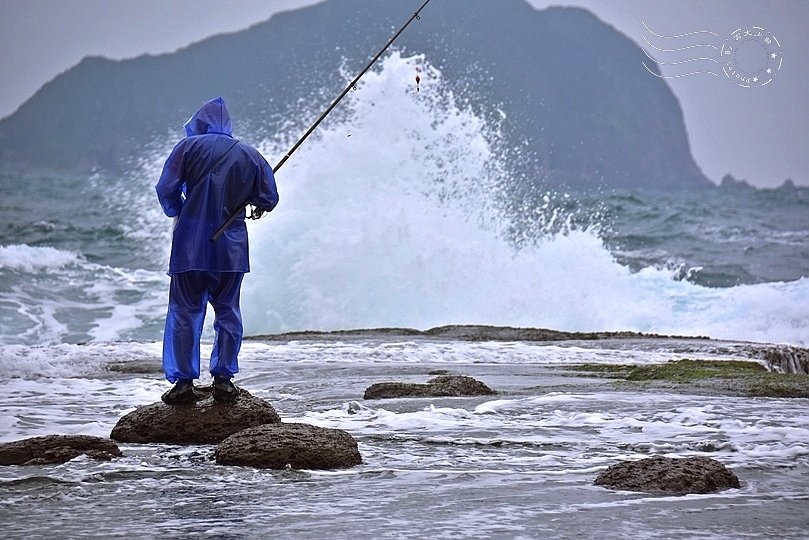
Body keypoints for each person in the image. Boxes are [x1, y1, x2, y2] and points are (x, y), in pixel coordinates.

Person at [155, 97, 278, 405]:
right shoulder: (250, 155)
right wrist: (254, 203)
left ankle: (183, 384)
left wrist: (181, 211)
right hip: (231, 250)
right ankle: (223, 380)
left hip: (189, 247)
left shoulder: (187, 149)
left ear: (200, 123)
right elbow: (269, 197)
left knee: (184, 312)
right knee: (227, 311)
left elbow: (166, 189)